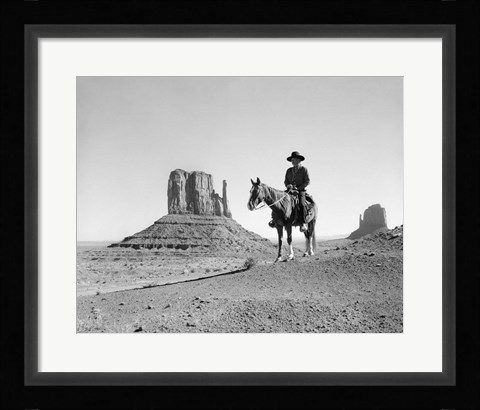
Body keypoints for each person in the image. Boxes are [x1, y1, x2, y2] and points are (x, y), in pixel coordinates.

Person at [269, 151, 310, 232]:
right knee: (278, 200)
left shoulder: (304, 170)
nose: (292, 161)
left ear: (299, 160)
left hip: (300, 190)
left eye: (294, 159)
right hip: (290, 190)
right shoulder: (289, 170)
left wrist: (298, 189)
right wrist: (288, 186)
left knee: (301, 204)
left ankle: (303, 223)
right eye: (292, 160)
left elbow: (307, 181)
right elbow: (286, 181)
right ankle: (274, 220)